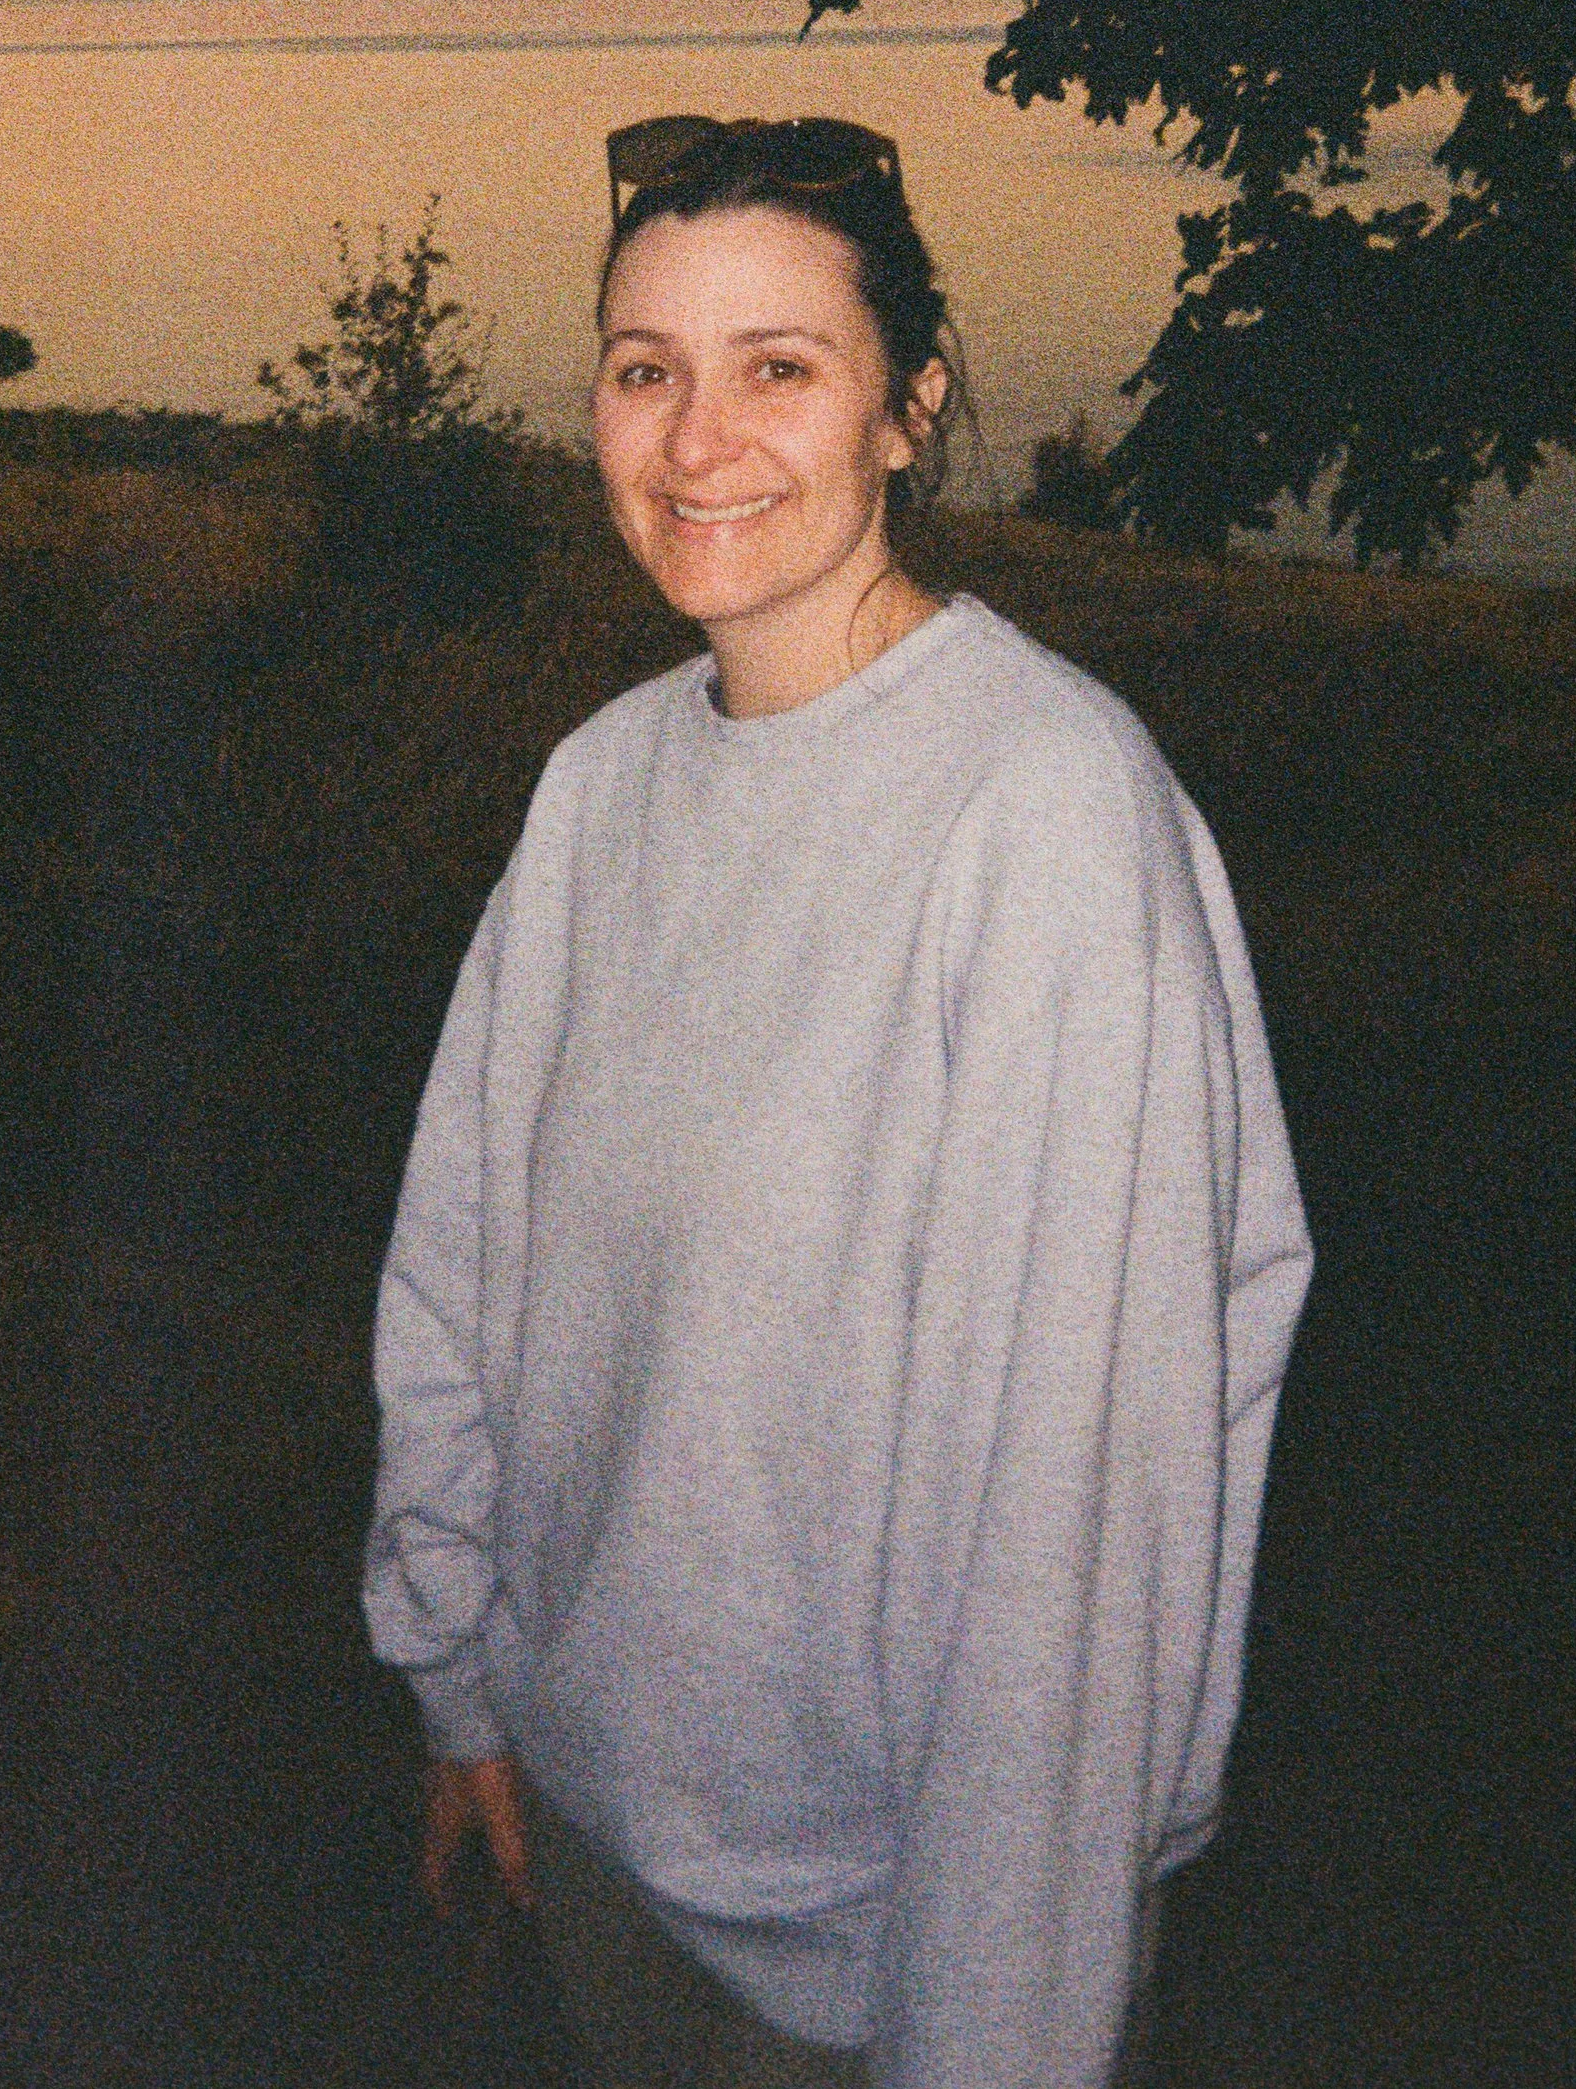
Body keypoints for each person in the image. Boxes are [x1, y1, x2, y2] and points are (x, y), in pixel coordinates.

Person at [364, 114, 1313, 2089]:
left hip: (886, 1935)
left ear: (908, 408)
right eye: (645, 371)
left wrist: (993, 2042)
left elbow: (1067, 1549)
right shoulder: (602, 787)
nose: (695, 439)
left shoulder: (1040, 815)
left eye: (776, 366)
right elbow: (462, 1271)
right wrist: (459, 1680)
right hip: (601, 1848)